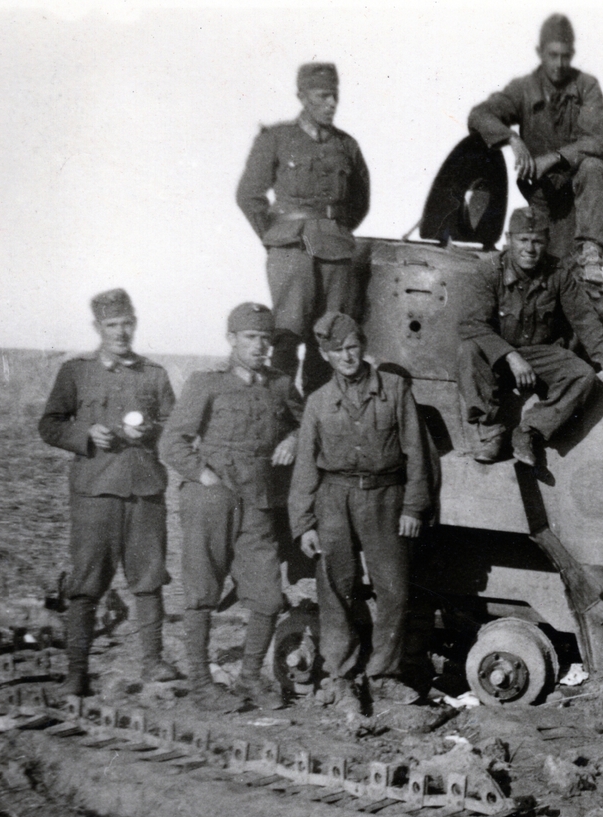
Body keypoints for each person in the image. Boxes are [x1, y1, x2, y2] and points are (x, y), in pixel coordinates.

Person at [161, 303, 302, 712]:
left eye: (265, 339)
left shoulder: (279, 384)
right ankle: (202, 685)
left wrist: (292, 440)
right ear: (231, 339)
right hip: (212, 500)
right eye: (251, 338)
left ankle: (248, 680)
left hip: (259, 501)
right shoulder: (207, 383)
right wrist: (205, 478)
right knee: (203, 592)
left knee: (268, 596)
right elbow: (172, 442)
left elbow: (303, 420)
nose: (260, 346)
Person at [287, 313, 432, 712]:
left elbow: (417, 453)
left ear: (363, 346)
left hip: (385, 496)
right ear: (325, 355)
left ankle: (383, 675)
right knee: (335, 588)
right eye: (337, 351)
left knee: (395, 589)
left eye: (352, 347)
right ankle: (342, 677)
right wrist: (304, 524)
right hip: (333, 498)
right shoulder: (318, 403)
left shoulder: (396, 389)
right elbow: (305, 468)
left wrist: (413, 506)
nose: (347, 357)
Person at [39, 289, 179, 695]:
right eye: (112, 325)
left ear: (135, 324)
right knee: (86, 582)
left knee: (149, 578)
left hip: (144, 492)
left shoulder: (153, 374)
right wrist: (85, 433)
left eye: (127, 324)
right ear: (97, 327)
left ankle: (152, 662)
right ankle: (77, 672)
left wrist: (150, 431)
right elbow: (49, 424)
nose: (121, 332)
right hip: (95, 492)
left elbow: (176, 427)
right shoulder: (76, 371)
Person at [457, 205, 603, 466]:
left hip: (540, 354)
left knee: (582, 375)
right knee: (469, 350)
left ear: (547, 242)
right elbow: (473, 324)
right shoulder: (488, 271)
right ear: (509, 240)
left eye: (538, 241)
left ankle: (529, 432)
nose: (530, 248)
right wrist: (510, 356)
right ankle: (489, 432)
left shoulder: (558, 274)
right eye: (523, 240)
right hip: (497, 354)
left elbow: (585, 320)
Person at [236, 62, 370, 394]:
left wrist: (331, 228)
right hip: (291, 249)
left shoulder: (347, 146)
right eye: (323, 96)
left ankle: (315, 413)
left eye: (334, 96)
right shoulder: (276, 138)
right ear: (302, 96)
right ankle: (280, 412)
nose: (331, 103)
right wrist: (275, 236)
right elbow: (248, 194)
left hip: (335, 253)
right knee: (286, 333)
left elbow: (359, 201)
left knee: (328, 334)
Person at [468, 13, 603, 283]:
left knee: (594, 166)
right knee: (544, 279)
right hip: (542, 198)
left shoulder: (586, 87)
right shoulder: (523, 89)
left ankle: (591, 252)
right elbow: (479, 115)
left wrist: (554, 158)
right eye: (552, 55)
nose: (559, 64)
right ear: (540, 52)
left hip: (577, 199)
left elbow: (596, 141)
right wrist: (512, 138)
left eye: (566, 56)